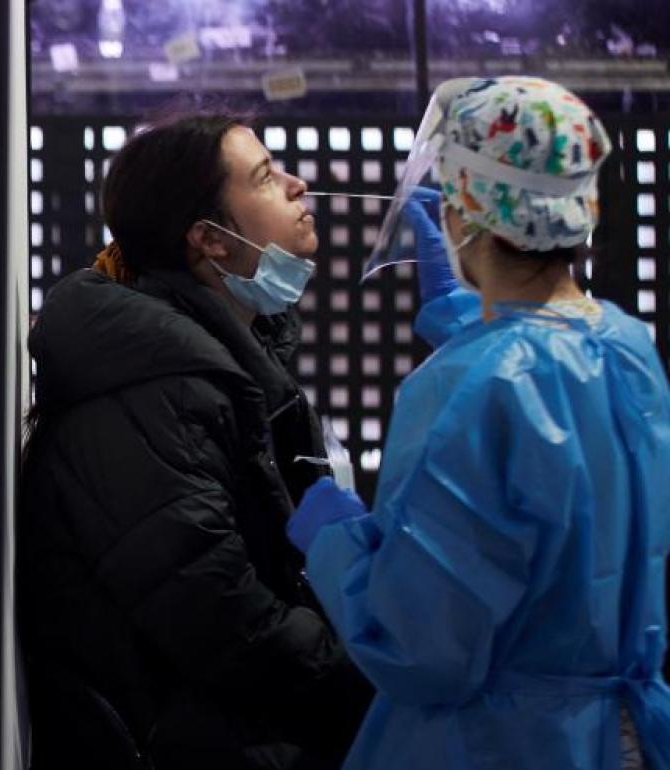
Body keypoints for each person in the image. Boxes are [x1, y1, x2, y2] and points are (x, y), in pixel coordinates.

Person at [288, 76, 670, 769]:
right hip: (622, 739)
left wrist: (336, 542)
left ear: (463, 209)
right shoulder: (625, 345)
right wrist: (469, 322)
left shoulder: (470, 388)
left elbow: (422, 648)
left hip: (504, 748)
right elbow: (556, 400)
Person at [18, 112, 372, 770]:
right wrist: (366, 673)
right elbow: (218, 615)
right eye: (266, 178)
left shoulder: (220, 360)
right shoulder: (155, 388)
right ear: (211, 240)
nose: (298, 186)